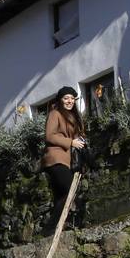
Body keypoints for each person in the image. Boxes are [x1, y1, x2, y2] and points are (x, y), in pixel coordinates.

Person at [41, 87, 87, 226]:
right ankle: (57, 225)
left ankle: (54, 228)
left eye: (72, 98)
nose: (70, 101)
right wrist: (71, 142)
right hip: (55, 159)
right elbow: (49, 136)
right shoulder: (55, 114)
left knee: (62, 196)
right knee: (70, 189)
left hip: (66, 160)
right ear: (60, 100)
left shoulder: (72, 116)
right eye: (66, 98)